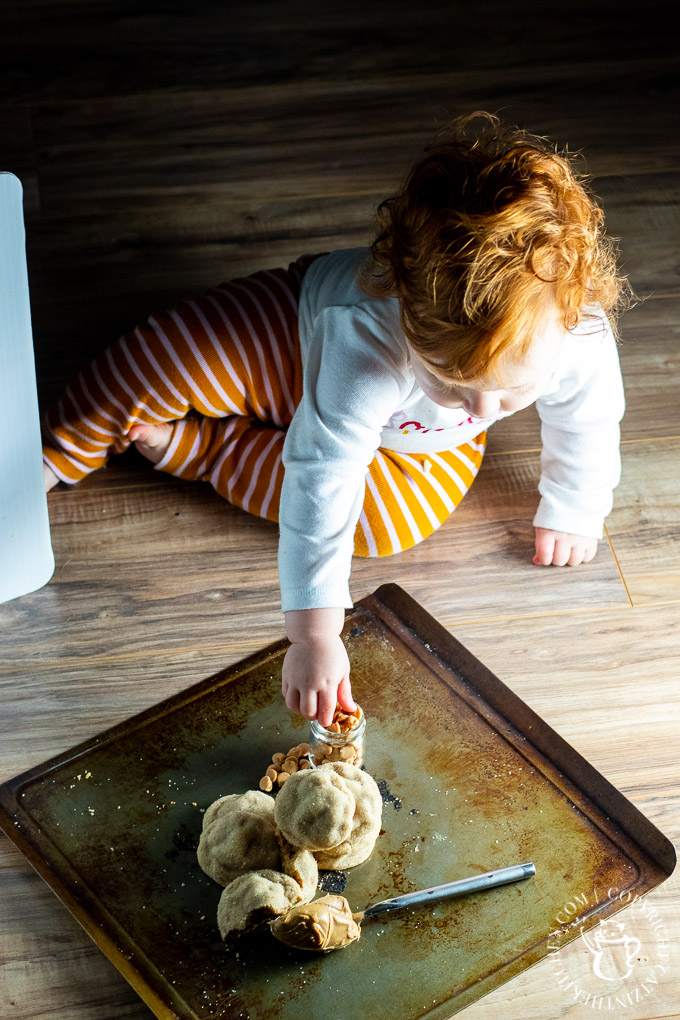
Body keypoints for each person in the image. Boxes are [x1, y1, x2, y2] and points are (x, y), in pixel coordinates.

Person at [42, 112, 630, 727]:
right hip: (289, 340)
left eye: (510, 394)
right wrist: (314, 633)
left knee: (395, 525)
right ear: (405, 309)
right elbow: (326, 471)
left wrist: (574, 505)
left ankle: (207, 452)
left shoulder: (577, 328)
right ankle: (60, 446)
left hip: (410, 435)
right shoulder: (366, 330)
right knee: (168, 355)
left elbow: (589, 419)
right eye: (457, 386)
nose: (485, 412)